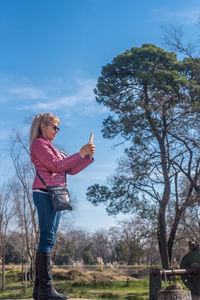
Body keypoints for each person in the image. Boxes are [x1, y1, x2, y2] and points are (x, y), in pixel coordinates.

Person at [30, 113, 95, 300]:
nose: (57, 131)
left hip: (56, 195)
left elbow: (71, 169)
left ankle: (39, 289)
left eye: (59, 128)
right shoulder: (39, 145)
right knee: (47, 237)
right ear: (43, 126)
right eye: (54, 127)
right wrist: (80, 153)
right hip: (44, 194)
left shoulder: (53, 148)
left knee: (49, 239)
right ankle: (45, 289)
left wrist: (87, 157)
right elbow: (56, 166)